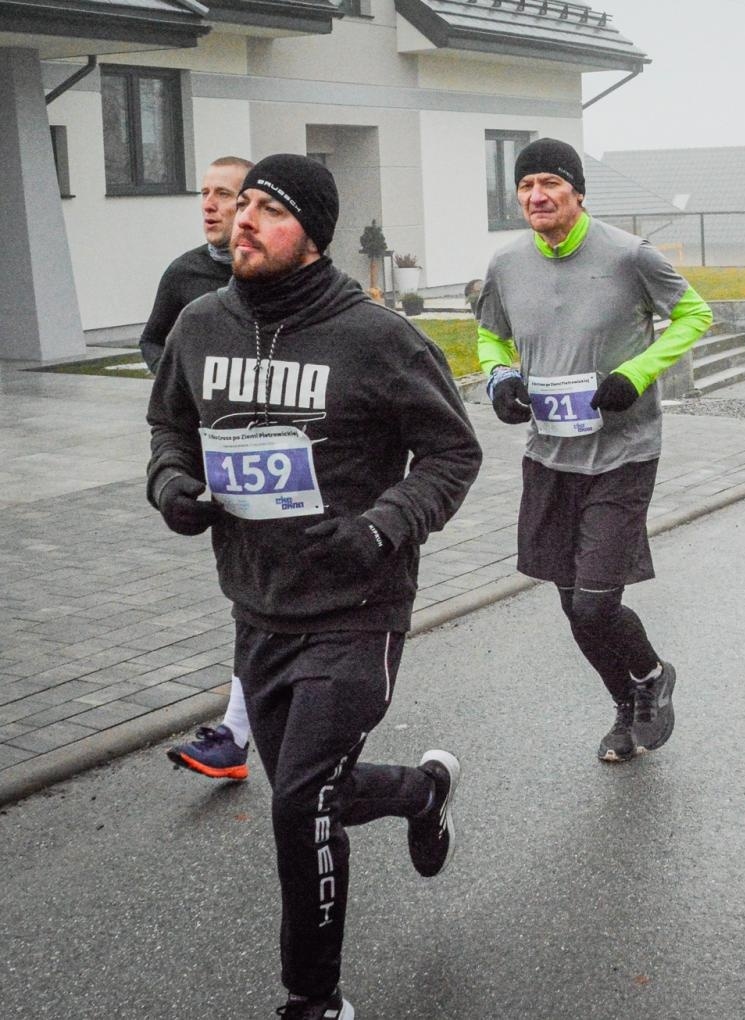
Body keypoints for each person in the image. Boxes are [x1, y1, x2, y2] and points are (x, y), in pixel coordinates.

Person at [146, 154, 482, 1019]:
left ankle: (314, 999)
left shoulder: (374, 336)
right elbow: (169, 429)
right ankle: (420, 791)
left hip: (358, 608)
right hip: (257, 607)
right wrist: (172, 486)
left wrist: (381, 526)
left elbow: (452, 452)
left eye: (270, 210)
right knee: (320, 786)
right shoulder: (199, 325)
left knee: (298, 802)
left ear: (312, 237)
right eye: (242, 203)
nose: (245, 220)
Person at [476, 139, 712, 764]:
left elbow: (694, 314)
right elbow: (489, 334)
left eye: (550, 183)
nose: (537, 196)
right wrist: (499, 379)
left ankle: (652, 675)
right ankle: (626, 703)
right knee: (570, 603)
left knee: (595, 601)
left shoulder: (629, 255)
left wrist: (637, 372)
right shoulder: (506, 264)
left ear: (578, 192)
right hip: (549, 454)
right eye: (526, 186)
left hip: (623, 451)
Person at [139, 154, 258, 782]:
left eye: (227, 194)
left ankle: (240, 734)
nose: (211, 205)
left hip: (285, 468)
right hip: (215, 459)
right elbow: (154, 341)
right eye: (204, 194)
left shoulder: (284, 275)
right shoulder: (184, 275)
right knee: (249, 593)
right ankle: (242, 733)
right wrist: (186, 386)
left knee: (262, 598)